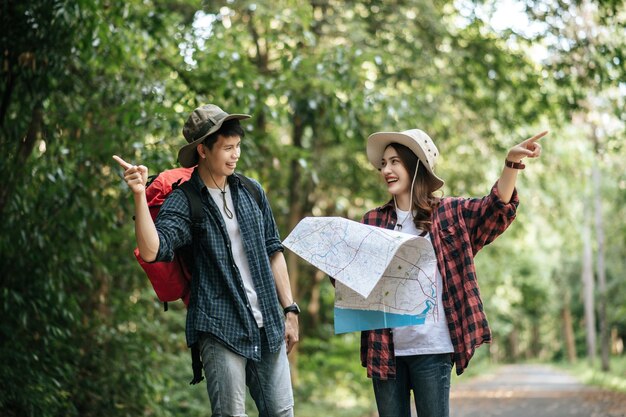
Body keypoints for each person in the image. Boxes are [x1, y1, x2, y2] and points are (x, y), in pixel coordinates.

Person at [113, 104, 300, 417]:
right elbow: (153, 250)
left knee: (282, 412)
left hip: (267, 323)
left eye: (237, 146)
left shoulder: (251, 191)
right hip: (219, 326)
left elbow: (273, 250)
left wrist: (290, 309)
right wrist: (137, 194)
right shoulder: (185, 200)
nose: (235, 155)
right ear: (202, 150)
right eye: (227, 148)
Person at [361, 128, 547, 417]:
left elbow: (494, 209)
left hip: (432, 349)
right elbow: (354, 281)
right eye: (383, 164)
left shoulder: (450, 213)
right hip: (385, 348)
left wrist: (510, 164)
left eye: (395, 161)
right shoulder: (372, 221)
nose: (387, 169)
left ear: (415, 166)